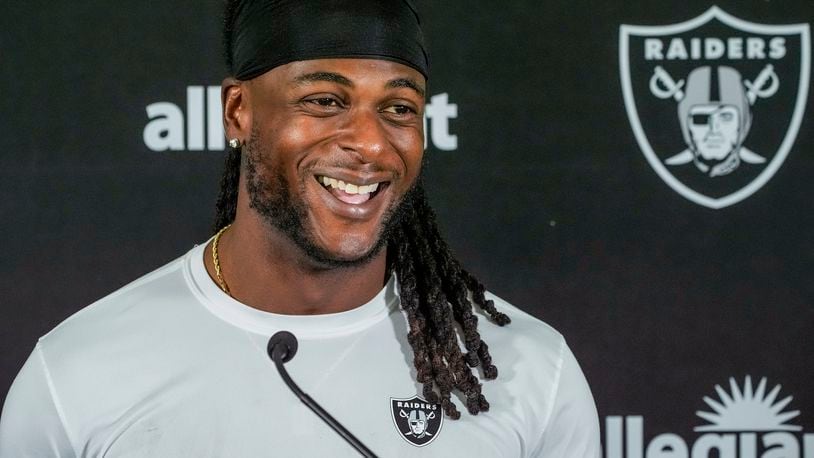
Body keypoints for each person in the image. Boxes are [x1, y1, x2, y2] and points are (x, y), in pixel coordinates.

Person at [0, 1, 600, 456]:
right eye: (323, 101)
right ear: (238, 111)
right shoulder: (76, 376)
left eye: (398, 109)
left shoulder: (531, 373)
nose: (369, 142)